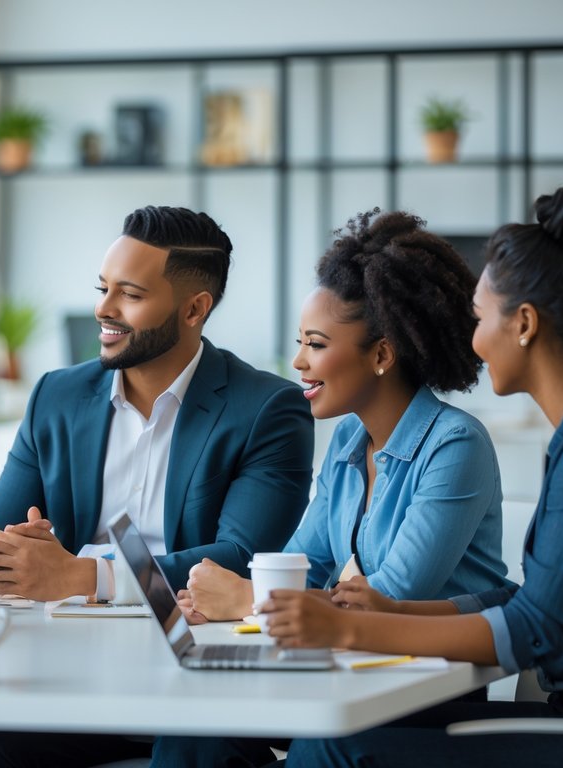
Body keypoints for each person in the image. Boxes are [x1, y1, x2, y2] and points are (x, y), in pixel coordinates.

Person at [268, 187, 563, 768]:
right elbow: (527, 600)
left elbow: (532, 629)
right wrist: (388, 612)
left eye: (479, 318)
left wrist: (349, 628)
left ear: (525, 325)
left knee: (333, 750)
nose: (470, 339)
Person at [0, 205, 316, 767]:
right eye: (102, 288)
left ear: (194, 309)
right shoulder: (57, 397)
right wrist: (14, 551)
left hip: (199, 680)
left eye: (130, 295)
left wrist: (82, 574)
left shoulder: (266, 408)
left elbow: (238, 560)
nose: (103, 309)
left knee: (194, 752)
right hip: (69, 673)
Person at [152, 209, 512, 767]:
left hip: (420, 695)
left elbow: (389, 601)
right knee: (193, 731)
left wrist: (248, 599)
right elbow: (304, 563)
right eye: (300, 343)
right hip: (341, 674)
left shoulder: (455, 446)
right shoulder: (348, 439)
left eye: (316, 345)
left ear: (382, 355)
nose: (297, 362)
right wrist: (218, 598)